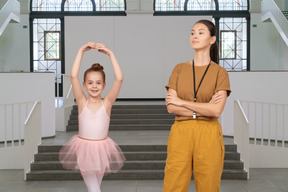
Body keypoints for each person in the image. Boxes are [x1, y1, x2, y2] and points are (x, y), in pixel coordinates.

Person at [163, 20, 231, 192]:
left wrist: (183, 102)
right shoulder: (178, 69)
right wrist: (203, 108)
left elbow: (216, 110)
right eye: (192, 32)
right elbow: (171, 107)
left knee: (209, 185)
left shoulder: (219, 73)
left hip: (209, 134)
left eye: (201, 32)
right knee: (173, 185)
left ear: (212, 39)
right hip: (181, 132)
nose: (194, 36)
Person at [59, 42, 125, 192]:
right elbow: (73, 75)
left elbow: (119, 79)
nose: (94, 86)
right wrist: (81, 50)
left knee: (95, 188)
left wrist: (110, 54)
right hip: (84, 150)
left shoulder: (107, 103)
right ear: (84, 85)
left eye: (98, 83)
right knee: (94, 189)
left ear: (103, 85)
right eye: (90, 83)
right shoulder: (82, 102)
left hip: (102, 150)